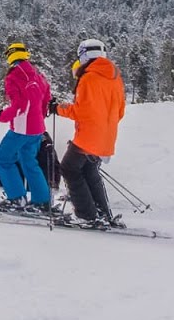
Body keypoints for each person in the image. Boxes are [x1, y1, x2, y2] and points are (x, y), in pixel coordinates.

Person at [49, 39, 125, 228]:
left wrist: (58, 108)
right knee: (89, 170)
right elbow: (120, 110)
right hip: (107, 135)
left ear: (84, 55)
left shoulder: (89, 78)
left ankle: (86, 215)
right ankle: (101, 212)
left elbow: (81, 111)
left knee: (69, 167)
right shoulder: (114, 77)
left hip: (89, 135)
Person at [0, 41, 53, 214]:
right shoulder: (38, 75)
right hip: (38, 128)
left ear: (9, 57)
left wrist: (0, 115)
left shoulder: (14, 77)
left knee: (3, 158)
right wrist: (39, 116)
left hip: (22, 129)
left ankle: (16, 198)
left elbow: (19, 106)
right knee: (29, 161)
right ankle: (42, 201)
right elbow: (46, 99)